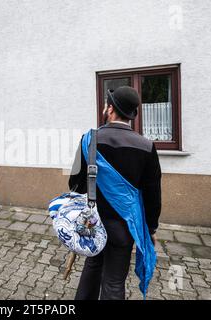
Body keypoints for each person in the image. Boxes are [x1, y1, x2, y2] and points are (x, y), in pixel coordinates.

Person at [69, 86, 162, 300]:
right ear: (131, 115)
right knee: (113, 281)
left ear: (110, 109)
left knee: (92, 268)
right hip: (124, 226)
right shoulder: (147, 146)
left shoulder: (89, 140)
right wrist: (151, 228)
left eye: (106, 104)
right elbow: (152, 193)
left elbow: (75, 185)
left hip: (93, 222)